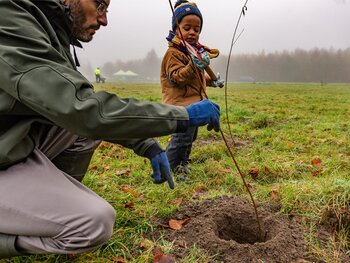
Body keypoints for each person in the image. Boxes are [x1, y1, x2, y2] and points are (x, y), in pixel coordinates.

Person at [0, 0, 221, 258]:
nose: (104, 20)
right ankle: (44, 221)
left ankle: (40, 211)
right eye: (101, 5)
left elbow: (70, 100)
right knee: (94, 223)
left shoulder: (47, 28)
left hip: (10, 145)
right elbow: (81, 108)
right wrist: (182, 115)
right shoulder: (10, 19)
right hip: (7, 152)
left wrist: (143, 141)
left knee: (78, 131)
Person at [160, 0, 224, 180]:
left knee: (189, 138)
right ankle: (171, 169)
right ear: (176, 28)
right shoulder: (173, 53)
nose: (192, 32)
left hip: (193, 105)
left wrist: (212, 80)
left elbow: (196, 78)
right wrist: (192, 64)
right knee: (180, 139)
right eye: (187, 27)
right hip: (180, 106)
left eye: (196, 29)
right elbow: (177, 78)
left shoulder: (192, 52)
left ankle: (182, 162)